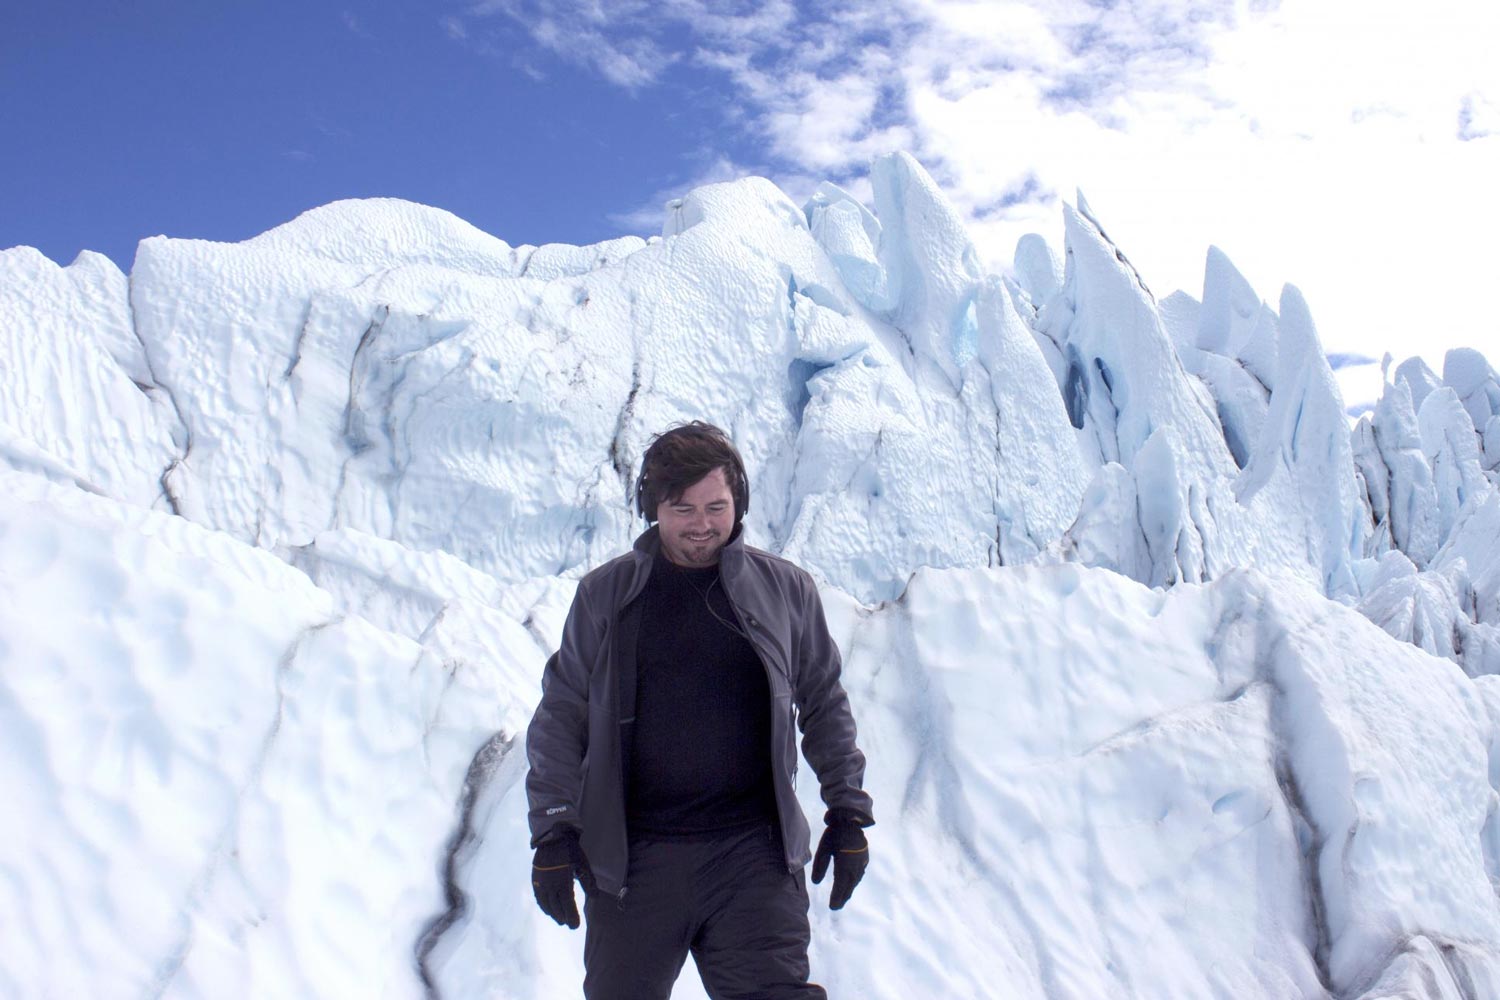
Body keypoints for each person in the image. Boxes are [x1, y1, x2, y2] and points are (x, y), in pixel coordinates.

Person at [525, 420, 875, 1000]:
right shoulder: (605, 595)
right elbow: (562, 714)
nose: (702, 525)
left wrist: (848, 809)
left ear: (739, 502)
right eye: (682, 509)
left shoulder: (786, 591)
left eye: (717, 506)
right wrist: (553, 831)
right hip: (634, 865)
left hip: (752, 860)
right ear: (651, 508)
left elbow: (823, 701)